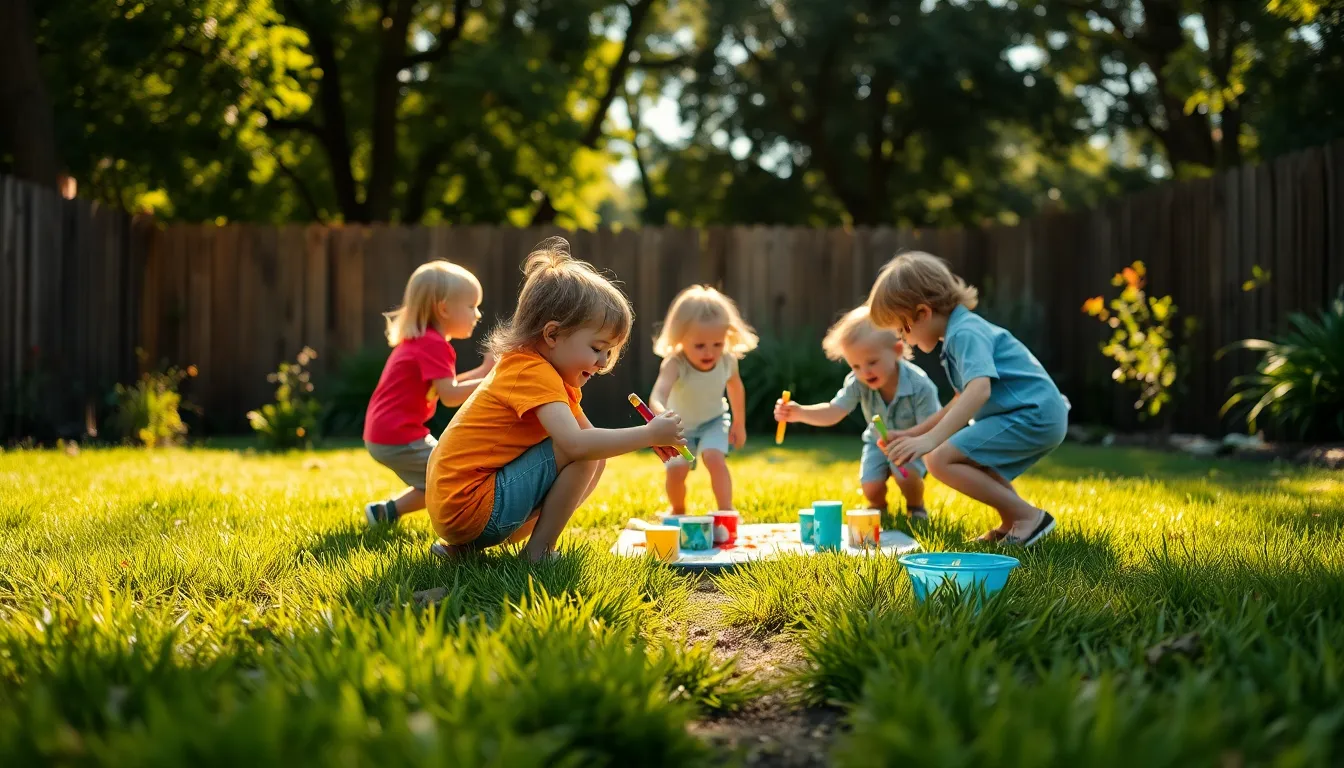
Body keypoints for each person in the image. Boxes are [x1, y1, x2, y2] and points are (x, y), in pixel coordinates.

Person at [426, 238, 686, 562]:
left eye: (609, 352)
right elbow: (578, 445)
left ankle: (464, 551)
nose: (603, 361)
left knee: (596, 456)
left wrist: (650, 439)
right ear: (551, 335)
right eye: (596, 348)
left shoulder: (542, 372)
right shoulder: (530, 371)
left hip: (460, 509)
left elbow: (592, 442)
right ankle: (539, 551)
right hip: (469, 506)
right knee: (584, 454)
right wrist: (648, 434)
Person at [867, 251, 1066, 546]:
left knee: (939, 459)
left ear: (923, 313)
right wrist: (912, 433)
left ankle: (1028, 517)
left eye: (902, 329)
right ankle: (1014, 521)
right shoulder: (958, 333)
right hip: (1029, 414)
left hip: (1032, 414)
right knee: (966, 458)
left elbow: (979, 390)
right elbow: (961, 398)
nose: (903, 339)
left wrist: (930, 441)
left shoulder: (964, 334)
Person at [773, 305, 940, 520]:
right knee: (870, 484)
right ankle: (878, 507)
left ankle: (916, 507)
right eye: (856, 366)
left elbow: (933, 425)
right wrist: (799, 413)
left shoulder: (920, 386)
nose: (864, 372)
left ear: (897, 351)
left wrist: (906, 439)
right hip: (877, 442)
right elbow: (834, 411)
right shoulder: (858, 383)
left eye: (872, 362)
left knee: (906, 477)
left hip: (912, 444)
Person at [363, 261, 493, 525]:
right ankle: (464, 530)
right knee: (451, 477)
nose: (477, 314)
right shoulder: (433, 345)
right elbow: (450, 395)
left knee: (439, 479)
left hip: (388, 433)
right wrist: (493, 379)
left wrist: (483, 371)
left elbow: (445, 385)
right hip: (398, 435)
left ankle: (385, 513)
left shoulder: (423, 341)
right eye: (471, 306)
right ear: (443, 308)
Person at [648, 285, 756, 514]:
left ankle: (726, 511)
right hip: (679, 429)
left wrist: (739, 423)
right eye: (699, 345)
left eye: (717, 344)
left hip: (714, 421)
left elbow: (736, 387)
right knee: (676, 470)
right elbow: (658, 394)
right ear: (680, 338)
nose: (710, 352)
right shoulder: (675, 363)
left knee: (715, 458)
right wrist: (662, 416)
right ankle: (677, 510)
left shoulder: (727, 360)